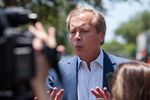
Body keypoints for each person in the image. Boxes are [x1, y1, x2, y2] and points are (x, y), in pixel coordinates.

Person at [30, 5, 130, 100]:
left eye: (84, 30)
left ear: (101, 36)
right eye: (73, 32)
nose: (77, 36)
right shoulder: (54, 73)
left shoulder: (126, 70)